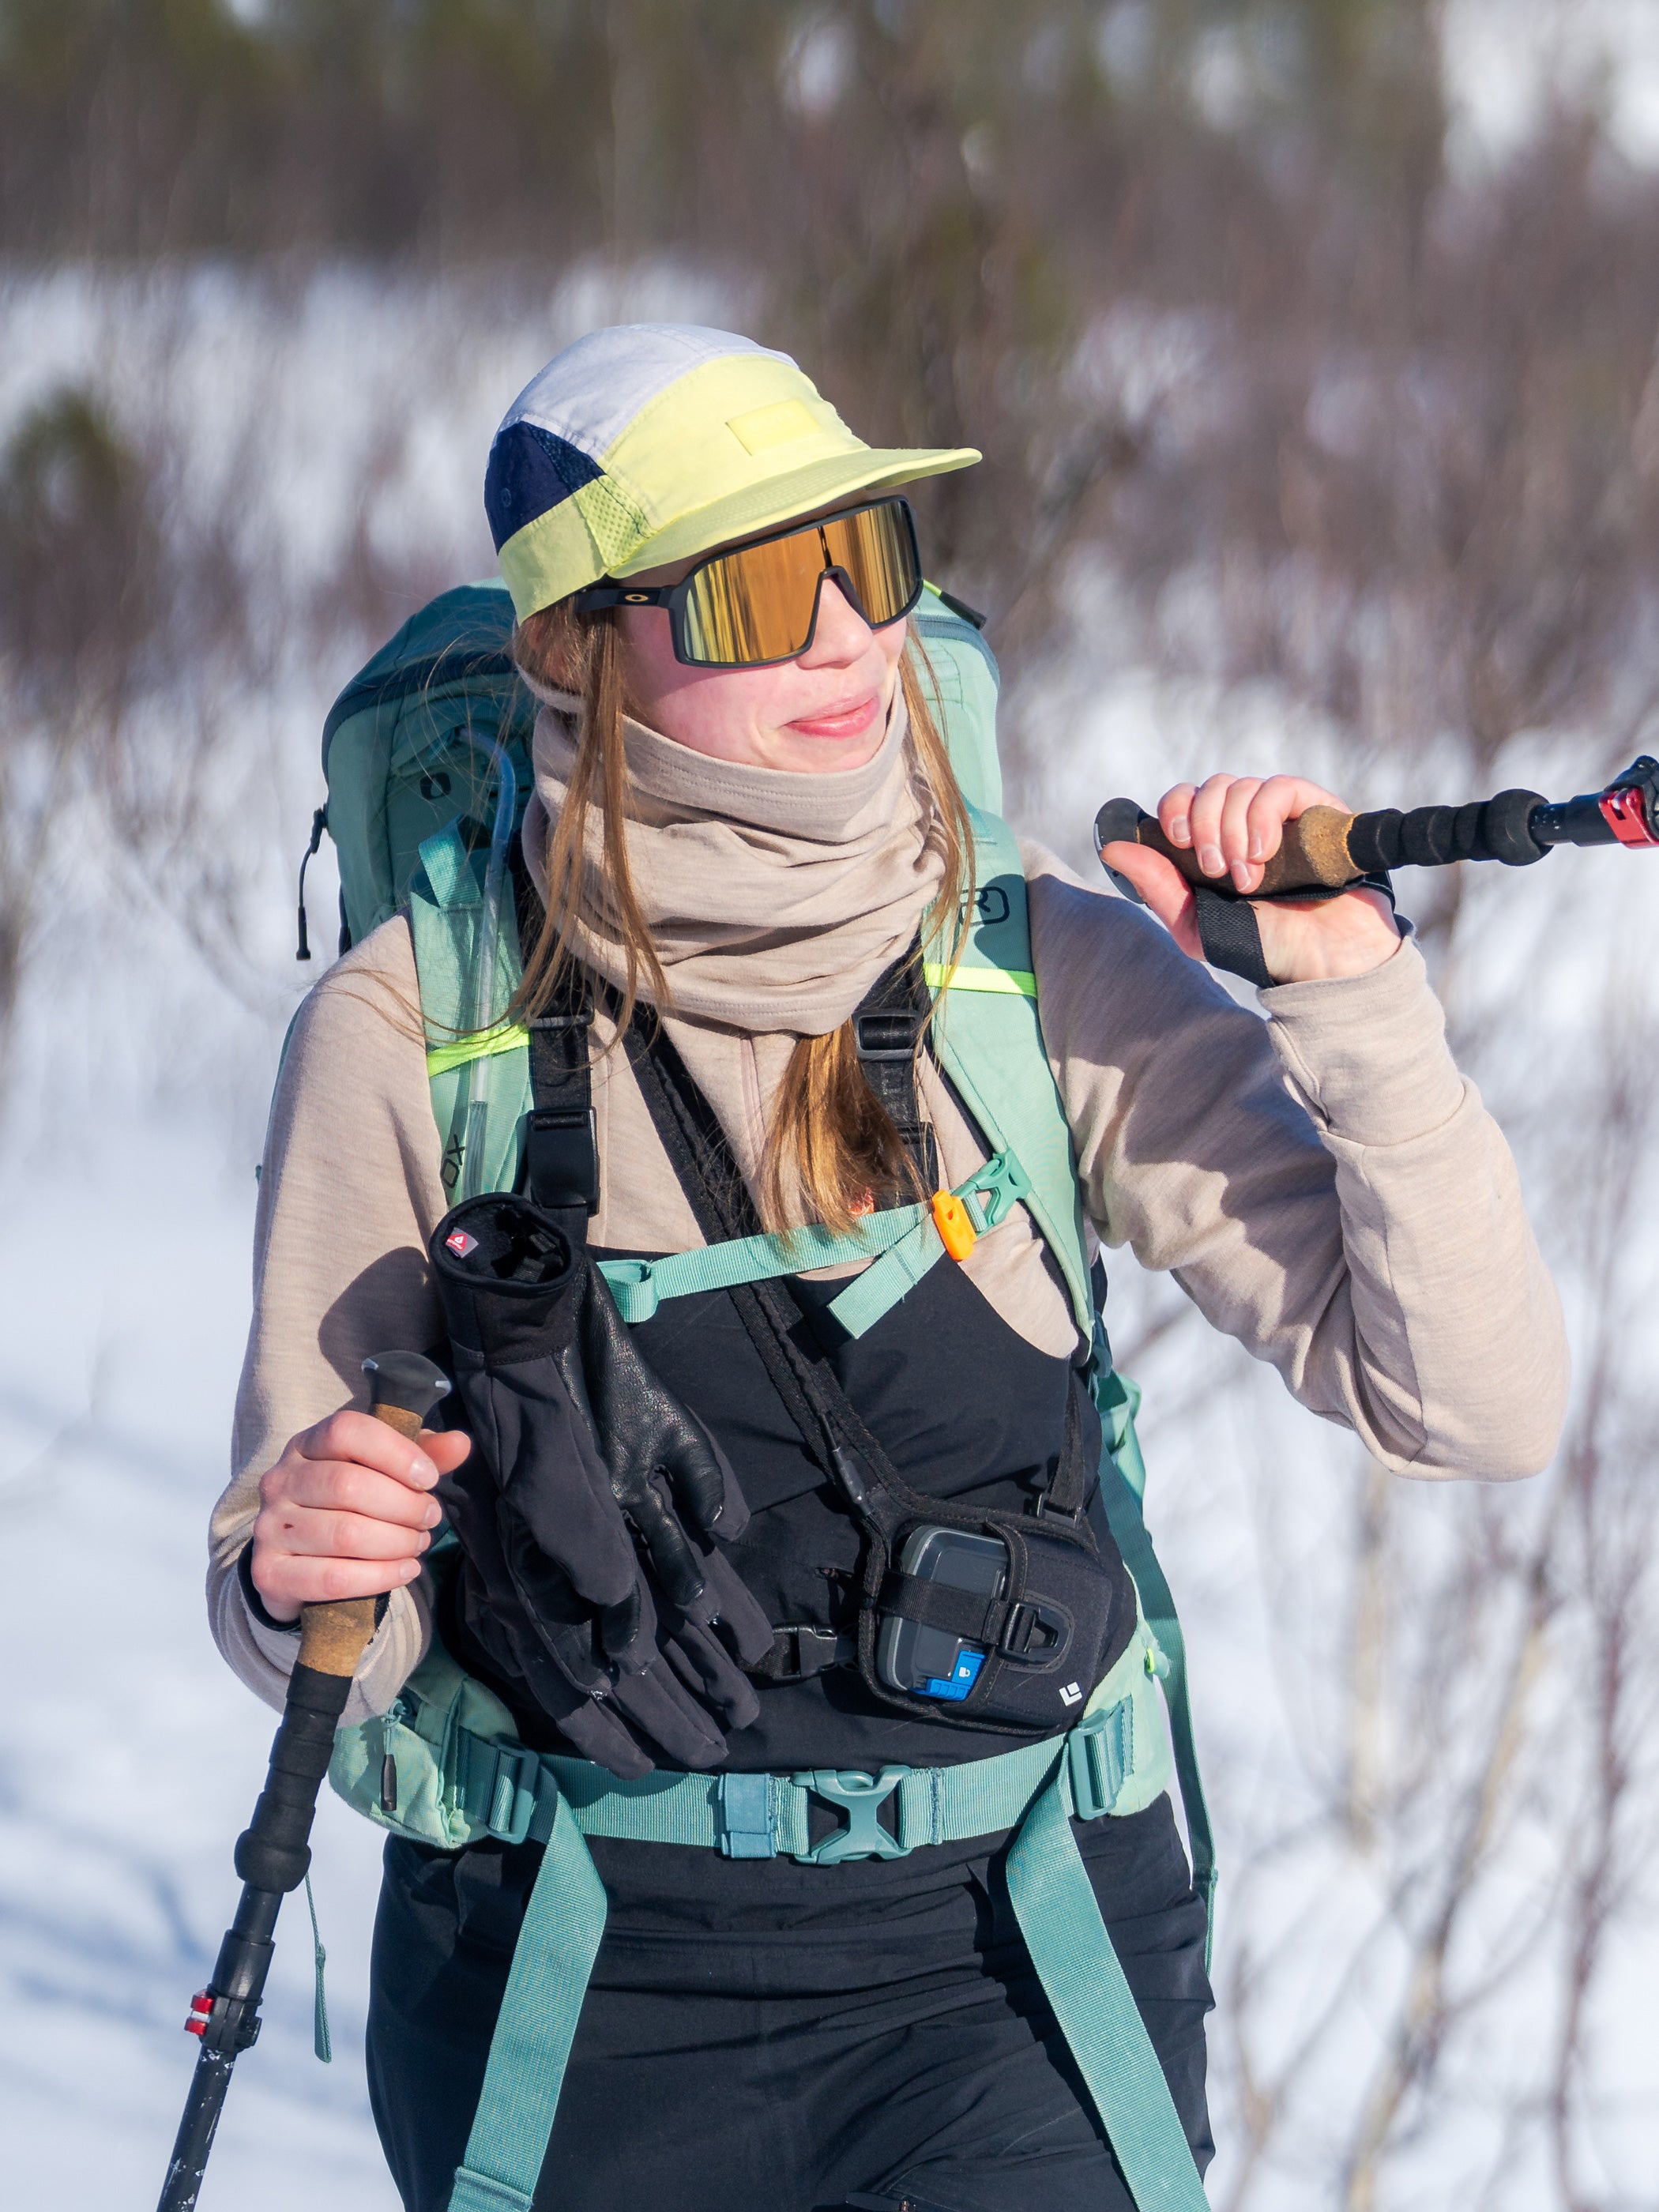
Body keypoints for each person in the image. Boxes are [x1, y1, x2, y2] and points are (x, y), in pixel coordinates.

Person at [208, 323, 1568, 2212]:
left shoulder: (1031, 969)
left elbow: (1476, 1406)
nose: (845, 635)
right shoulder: (414, 1030)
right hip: (580, 1982)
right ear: (580, 647)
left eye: (872, 554)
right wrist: (303, 1560)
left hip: (1019, 1965)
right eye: (762, 587)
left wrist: (1357, 993)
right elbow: (311, 1628)